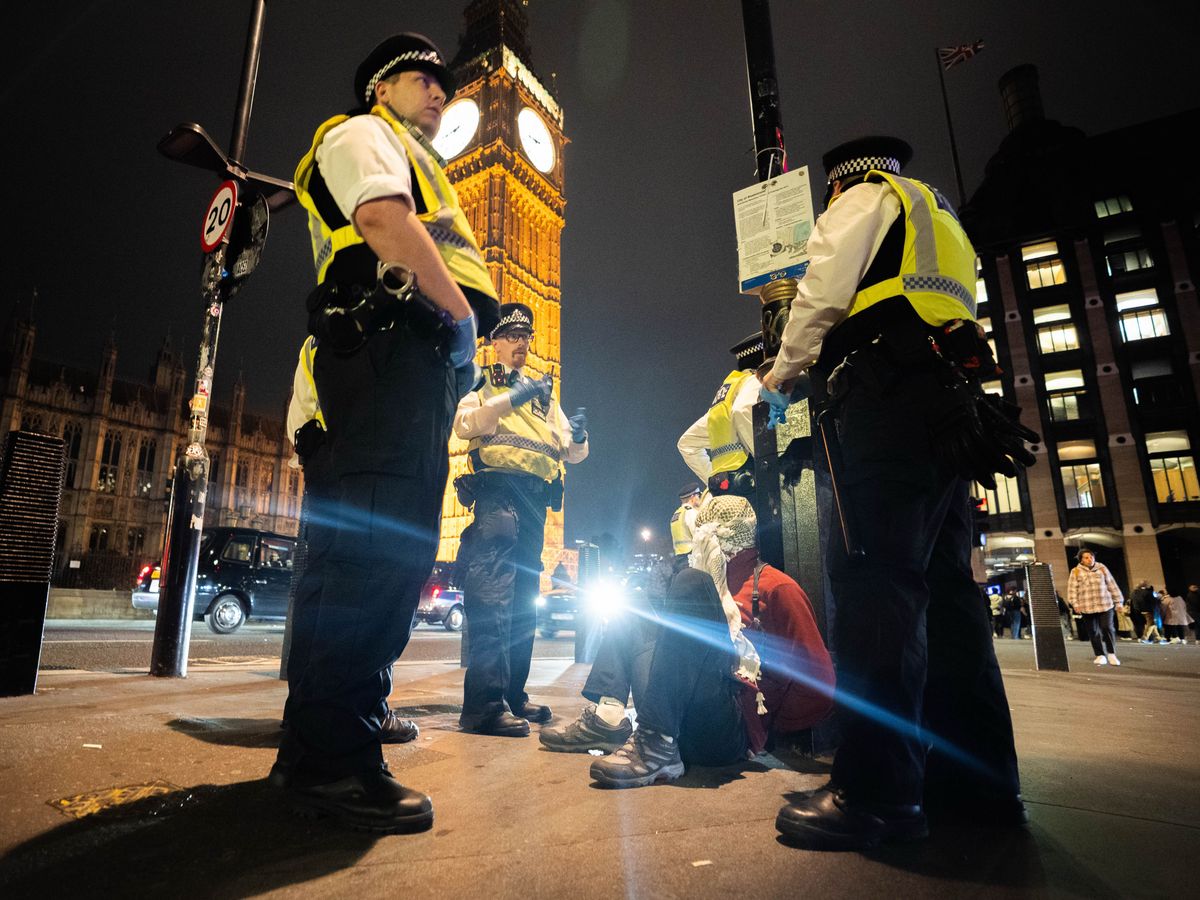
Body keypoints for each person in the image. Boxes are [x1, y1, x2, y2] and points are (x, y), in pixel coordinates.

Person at [760, 136, 1034, 849]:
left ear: (837, 184)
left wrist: (780, 372)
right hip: (951, 411)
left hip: (884, 401)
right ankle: (979, 787)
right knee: (948, 597)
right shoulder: (939, 214)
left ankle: (875, 794)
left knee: (877, 585)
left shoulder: (861, 202)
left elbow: (822, 293)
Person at [274, 32, 500, 834]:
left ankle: (338, 747)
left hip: (410, 363)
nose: (439, 93)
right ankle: (328, 764)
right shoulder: (362, 134)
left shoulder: (413, 152)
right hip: (385, 350)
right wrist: (463, 317)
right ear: (380, 88)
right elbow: (379, 219)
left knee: (392, 557)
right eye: (422, 80)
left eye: (444, 84)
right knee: (372, 556)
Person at [540, 495, 835, 786]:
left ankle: (658, 743)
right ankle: (609, 718)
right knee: (634, 600)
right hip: (674, 719)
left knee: (692, 581)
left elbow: (819, 682)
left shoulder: (776, 588)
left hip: (723, 731)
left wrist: (768, 728)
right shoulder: (702, 579)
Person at [453, 302, 589, 736]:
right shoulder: (481, 382)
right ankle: (483, 706)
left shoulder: (544, 394)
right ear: (494, 342)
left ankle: (513, 695)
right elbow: (464, 424)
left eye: (526, 337)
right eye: (512, 337)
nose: (521, 344)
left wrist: (582, 438)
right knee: (492, 598)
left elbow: (572, 450)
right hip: (497, 497)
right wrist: (513, 397)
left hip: (534, 505)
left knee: (523, 605)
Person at [277, 336, 419, 749]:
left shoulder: (318, 337)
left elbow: (299, 411)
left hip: (322, 460)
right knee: (369, 585)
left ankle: (304, 708)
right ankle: (361, 711)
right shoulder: (396, 329)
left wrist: (314, 452)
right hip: (373, 464)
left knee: (319, 584)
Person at [677, 333, 766, 497]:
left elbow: (686, 444)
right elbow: (743, 410)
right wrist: (767, 463)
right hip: (753, 482)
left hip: (730, 492)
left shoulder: (726, 396)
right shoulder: (754, 381)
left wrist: (713, 481)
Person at [1065, 549, 1124, 666]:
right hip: (1087, 606)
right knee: (1093, 631)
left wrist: (1119, 602)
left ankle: (1111, 654)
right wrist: (1075, 604)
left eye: (1091, 556)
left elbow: (1112, 585)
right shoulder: (1075, 571)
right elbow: (1072, 590)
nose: (1089, 559)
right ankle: (1100, 655)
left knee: (1107, 627)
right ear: (1081, 560)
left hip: (1105, 604)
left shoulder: (1102, 569)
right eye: (1086, 557)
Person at [669, 482, 704, 569]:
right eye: (699, 495)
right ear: (693, 497)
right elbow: (699, 536)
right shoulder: (690, 512)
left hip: (679, 559)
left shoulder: (677, 514)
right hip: (691, 558)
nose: (700, 498)